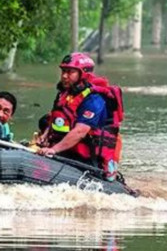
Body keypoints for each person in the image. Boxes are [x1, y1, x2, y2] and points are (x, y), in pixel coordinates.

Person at [37, 53, 123, 181]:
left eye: (70, 72)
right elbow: (54, 117)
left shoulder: (94, 100)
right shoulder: (64, 94)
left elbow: (80, 131)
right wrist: (45, 136)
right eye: (63, 71)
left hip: (87, 160)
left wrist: (53, 150)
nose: (64, 76)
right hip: (65, 152)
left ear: (83, 74)